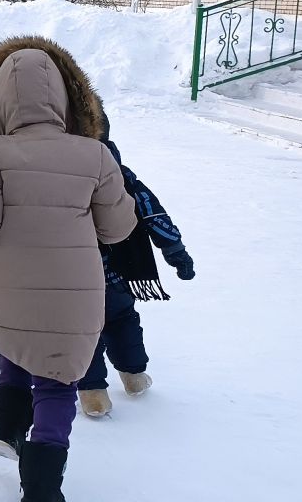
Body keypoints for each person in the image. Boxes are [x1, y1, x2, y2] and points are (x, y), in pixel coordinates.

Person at [0, 36, 137, 502]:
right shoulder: (94, 153)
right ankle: (43, 485)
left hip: (8, 279)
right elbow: (117, 228)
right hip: (75, 286)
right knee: (57, 377)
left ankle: (5, 428)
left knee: (18, 345)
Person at [77, 114, 197, 418]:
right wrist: (175, 250)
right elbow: (152, 212)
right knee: (122, 319)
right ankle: (134, 375)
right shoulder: (121, 173)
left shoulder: (60, 177)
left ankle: (93, 392)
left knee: (83, 328)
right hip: (120, 270)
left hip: (75, 274)